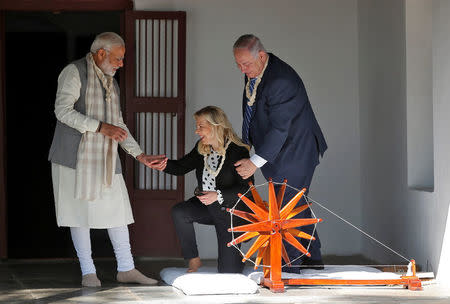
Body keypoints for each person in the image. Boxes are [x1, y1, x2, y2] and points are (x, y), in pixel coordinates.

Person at [48, 32, 164, 287]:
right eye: (118, 58)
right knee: (78, 214)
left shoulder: (112, 82)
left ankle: (126, 268)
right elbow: (62, 111)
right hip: (72, 157)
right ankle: (88, 271)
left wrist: (139, 155)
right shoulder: (74, 71)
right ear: (101, 53)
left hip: (106, 156)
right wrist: (101, 127)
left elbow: (118, 124)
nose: (121, 64)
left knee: (118, 211)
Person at [232, 34, 327, 273]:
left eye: (247, 64)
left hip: (296, 149)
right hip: (274, 150)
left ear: (261, 56)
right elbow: (253, 113)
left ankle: (288, 268)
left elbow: (279, 128)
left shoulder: (280, 80)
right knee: (295, 201)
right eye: (239, 65)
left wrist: (254, 162)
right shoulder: (257, 72)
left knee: (287, 208)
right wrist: (246, 146)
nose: (243, 70)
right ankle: (313, 258)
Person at [151, 106, 253, 273]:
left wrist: (218, 195)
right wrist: (161, 164)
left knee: (230, 272)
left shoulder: (238, 150)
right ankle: (193, 259)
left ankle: (233, 260)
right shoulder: (202, 148)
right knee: (180, 211)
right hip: (208, 207)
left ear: (216, 125)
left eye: (201, 126)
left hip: (231, 213)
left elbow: (246, 189)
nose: (197, 131)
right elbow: (181, 167)